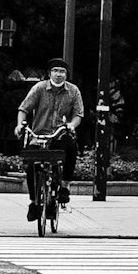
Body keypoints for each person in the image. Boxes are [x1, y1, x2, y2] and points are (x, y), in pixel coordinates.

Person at [17, 60, 84, 230]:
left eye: (62, 71)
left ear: (66, 75)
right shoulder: (39, 88)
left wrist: (71, 125)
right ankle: (34, 202)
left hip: (60, 134)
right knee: (31, 164)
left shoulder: (73, 91)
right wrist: (20, 125)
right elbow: (24, 108)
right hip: (39, 135)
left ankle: (64, 187)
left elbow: (78, 114)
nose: (59, 74)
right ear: (49, 73)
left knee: (71, 147)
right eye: (55, 70)